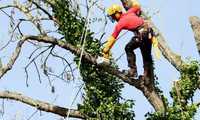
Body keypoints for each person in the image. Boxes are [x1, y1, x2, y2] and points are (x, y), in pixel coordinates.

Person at [102, 3, 155, 79]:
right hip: (149, 33)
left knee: (128, 48)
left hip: (142, 34)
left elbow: (113, 37)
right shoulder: (130, 12)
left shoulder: (120, 23)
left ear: (117, 13)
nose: (114, 18)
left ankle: (132, 71)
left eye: (113, 16)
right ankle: (147, 77)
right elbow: (137, 6)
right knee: (146, 56)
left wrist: (106, 49)